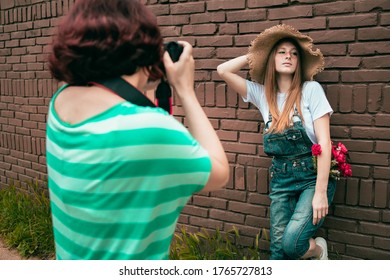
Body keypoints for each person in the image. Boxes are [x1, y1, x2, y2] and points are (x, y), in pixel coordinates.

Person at [46, 0, 229, 260]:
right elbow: (220, 173)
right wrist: (185, 90)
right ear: (143, 49)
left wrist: (146, 78)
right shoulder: (150, 128)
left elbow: (115, 102)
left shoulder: (60, 102)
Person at [217, 24, 336, 260]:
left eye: (293, 53)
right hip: (280, 179)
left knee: (292, 244)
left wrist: (320, 192)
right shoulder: (263, 95)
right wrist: (257, 55)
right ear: (272, 59)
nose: (288, 56)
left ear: (298, 61)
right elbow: (223, 70)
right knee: (277, 252)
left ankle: (318, 251)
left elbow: (325, 142)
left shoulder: (311, 90)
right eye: (281, 52)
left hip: (311, 178)